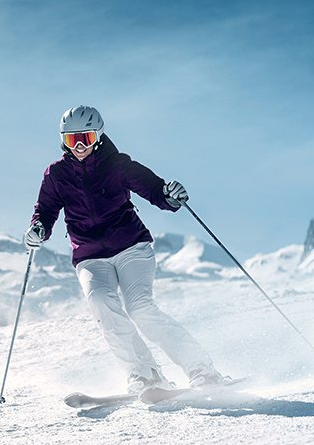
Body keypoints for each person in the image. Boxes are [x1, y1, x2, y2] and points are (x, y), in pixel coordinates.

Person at [24, 105, 226, 394]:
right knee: (103, 306)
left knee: (140, 308)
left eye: (86, 138)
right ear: (63, 141)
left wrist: (170, 196)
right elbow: (44, 211)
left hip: (132, 247)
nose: (80, 146)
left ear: (99, 137)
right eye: (72, 140)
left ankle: (202, 369)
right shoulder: (56, 175)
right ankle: (144, 374)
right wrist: (38, 229)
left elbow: (155, 190)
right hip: (90, 256)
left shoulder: (118, 164)